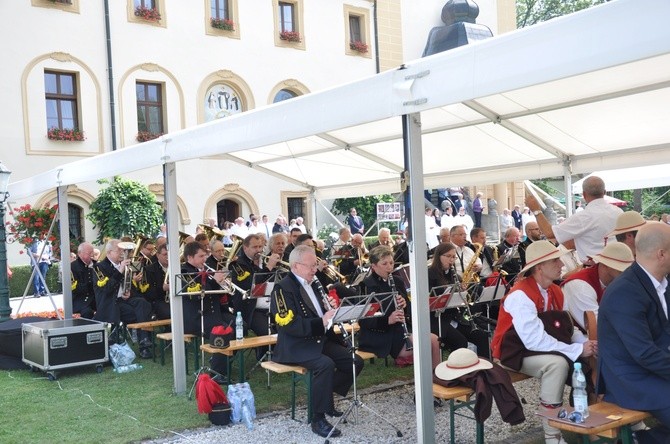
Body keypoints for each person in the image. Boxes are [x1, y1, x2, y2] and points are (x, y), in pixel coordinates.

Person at [490, 241, 596, 444]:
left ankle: (596, 421)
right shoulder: (520, 295)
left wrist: (587, 344)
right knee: (557, 365)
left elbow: (568, 329)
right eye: (555, 260)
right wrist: (576, 349)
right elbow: (534, 340)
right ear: (539, 267)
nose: (561, 265)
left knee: (585, 358)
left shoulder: (556, 291)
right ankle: (552, 437)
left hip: (538, 349)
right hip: (514, 352)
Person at [270, 245, 363, 438]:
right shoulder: (282, 288)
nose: (315, 270)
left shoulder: (314, 282)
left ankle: (323, 397)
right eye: (311, 266)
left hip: (318, 340)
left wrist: (330, 310)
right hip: (295, 344)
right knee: (325, 365)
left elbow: (322, 314)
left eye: (315, 266)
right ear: (296, 266)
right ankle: (317, 418)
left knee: (355, 362)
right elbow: (290, 326)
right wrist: (321, 319)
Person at [598, 222, 670, 439]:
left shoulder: (662, 281)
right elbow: (644, 353)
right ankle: (642, 439)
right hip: (630, 379)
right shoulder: (624, 292)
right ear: (662, 254)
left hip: (656, 369)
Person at [359, 245, 441, 369]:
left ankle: (436, 376)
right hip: (380, 333)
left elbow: (408, 308)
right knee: (425, 343)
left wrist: (405, 304)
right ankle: (428, 378)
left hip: (400, 329)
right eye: (384, 263)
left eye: (391, 263)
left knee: (435, 340)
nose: (389, 267)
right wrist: (388, 320)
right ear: (374, 266)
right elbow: (364, 320)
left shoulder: (397, 280)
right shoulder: (366, 285)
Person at [526, 175, 622, 262]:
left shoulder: (583, 217)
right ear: (604, 192)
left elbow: (549, 233)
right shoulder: (619, 212)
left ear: (584, 195)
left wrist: (536, 210)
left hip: (594, 270)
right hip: (619, 264)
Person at [427, 242, 490, 357]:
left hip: (455, 317)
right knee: (460, 342)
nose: (451, 260)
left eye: (453, 257)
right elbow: (430, 299)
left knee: (482, 336)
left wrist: (462, 292)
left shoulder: (453, 274)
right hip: (439, 320)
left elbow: (461, 300)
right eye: (448, 256)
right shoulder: (429, 274)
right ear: (439, 256)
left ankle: (484, 369)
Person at [181, 241, 229, 377]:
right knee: (223, 332)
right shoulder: (185, 272)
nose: (205, 259)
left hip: (211, 315)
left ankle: (220, 362)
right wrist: (214, 281)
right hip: (196, 318)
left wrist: (222, 284)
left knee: (238, 327)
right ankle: (218, 372)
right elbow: (196, 296)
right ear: (190, 257)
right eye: (201, 256)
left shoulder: (204, 271)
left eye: (205, 256)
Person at [561, 242, 633, 331]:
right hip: (579, 340)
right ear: (606, 265)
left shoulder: (617, 281)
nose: (627, 273)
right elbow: (597, 327)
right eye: (621, 268)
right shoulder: (580, 285)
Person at [144, 243, 171, 320]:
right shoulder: (149, 270)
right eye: (165, 254)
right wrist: (162, 288)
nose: (168, 257)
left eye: (169, 254)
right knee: (169, 313)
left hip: (175, 299)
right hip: (158, 301)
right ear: (158, 255)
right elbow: (149, 294)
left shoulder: (177, 268)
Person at [70, 242, 97, 319]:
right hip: (80, 300)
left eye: (93, 253)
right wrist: (92, 284)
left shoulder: (96, 265)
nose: (92, 255)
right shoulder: (72, 267)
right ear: (79, 253)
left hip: (95, 299)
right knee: (87, 312)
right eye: (89, 253)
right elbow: (75, 288)